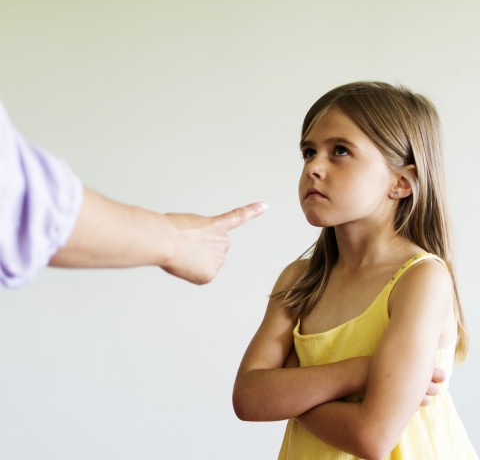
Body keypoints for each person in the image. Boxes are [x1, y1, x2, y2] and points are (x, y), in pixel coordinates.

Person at [232, 82, 478, 459]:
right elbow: (248, 399)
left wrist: (290, 390)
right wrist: (362, 371)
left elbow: (372, 437)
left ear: (401, 182)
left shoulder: (421, 280)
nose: (313, 166)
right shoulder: (299, 282)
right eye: (308, 152)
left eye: (340, 151)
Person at [0, 100, 267, 288]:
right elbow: (17, 198)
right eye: (307, 153)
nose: (310, 167)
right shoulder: (292, 282)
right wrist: (175, 240)